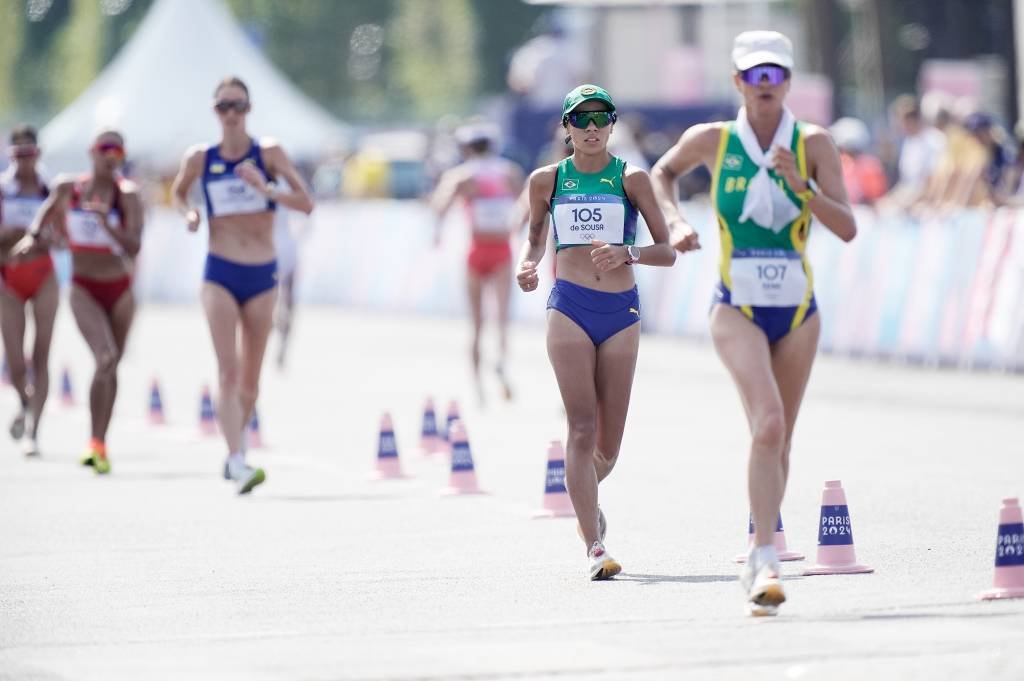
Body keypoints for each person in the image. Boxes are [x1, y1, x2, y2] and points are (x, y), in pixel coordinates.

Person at [651, 31, 856, 615]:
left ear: (788, 83)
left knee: (781, 438)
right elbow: (660, 175)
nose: (766, 88)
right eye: (754, 77)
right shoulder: (712, 140)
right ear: (738, 82)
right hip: (735, 305)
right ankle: (763, 555)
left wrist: (804, 188)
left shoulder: (814, 143)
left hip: (797, 310)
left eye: (776, 77)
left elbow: (847, 227)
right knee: (765, 424)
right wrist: (672, 222)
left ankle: (761, 545)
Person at [517, 84, 682, 580]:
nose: (591, 128)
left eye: (600, 119)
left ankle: (585, 505)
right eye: (580, 119)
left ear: (612, 126)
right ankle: (594, 545)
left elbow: (667, 250)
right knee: (581, 428)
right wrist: (528, 267)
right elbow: (533, 243)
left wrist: (626, 252)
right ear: (566, 129)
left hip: (621, 312)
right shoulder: (546, 181)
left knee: (608, 447)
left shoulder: (633, 180)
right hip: (568, 306)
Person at [171, 76, 313, 494]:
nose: (231, 114)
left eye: (238, 106)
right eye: (223, 106)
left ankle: (237, 447)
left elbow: (306, 203)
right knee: (228, 371)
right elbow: (179, 194)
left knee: (251, 381)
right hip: (219, 272)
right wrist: (189, 214)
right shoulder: (200, 157)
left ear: (248, 110)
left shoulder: (268, 153)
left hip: (262, 274)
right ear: (215, 111)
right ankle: (236, 459)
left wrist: (265, 188)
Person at [15, 129, 144, 473]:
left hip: (120, 289)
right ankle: (93, 442)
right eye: (105, 149)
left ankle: (99, 442)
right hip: (83, 287)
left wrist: (105, 224)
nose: (111, 155)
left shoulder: (126, 195)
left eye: (117, 149)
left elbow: (134, 246)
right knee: (105, 356)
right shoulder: (68, 188)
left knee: (110, 366)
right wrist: (33, 237)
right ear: (92, 152)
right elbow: (44, 214)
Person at [432, 123, 525, 403]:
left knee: (476, 324)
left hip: (476, 250)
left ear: (467, 148)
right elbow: (527, 203)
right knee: (502, 320)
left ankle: (478, 389)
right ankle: (502, 366)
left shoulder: (461, 175)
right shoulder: (508, 172)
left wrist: (439, 228)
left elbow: (439, 207)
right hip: (502, 251)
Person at [0, 125, 58, 457]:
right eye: (18, 155)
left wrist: (45, 237)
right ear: (10, 157)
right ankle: (25, 402)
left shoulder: (49, 188)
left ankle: (34, 431)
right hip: (10, 278)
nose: (24, 162)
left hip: (42, 275)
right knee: (15, 361)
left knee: (42, 355)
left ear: (38, 154)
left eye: (30, 154)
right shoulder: (4, 189)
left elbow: (62, 235)